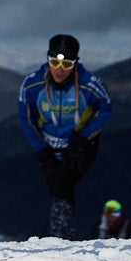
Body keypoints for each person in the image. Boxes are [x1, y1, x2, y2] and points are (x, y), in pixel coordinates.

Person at [18, 35, 113, 239]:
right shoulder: (32, 85)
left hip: (81, 146)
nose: (60, 69)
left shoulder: (90, 83)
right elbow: (27, 120)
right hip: (49, 147)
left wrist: (83, 137)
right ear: (48, 60)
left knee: (62, 185)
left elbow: (105, 109)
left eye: (67, 63)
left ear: (75, 63)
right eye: (55, 62)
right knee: (57, 189)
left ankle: (61, 240)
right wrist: (42, 153)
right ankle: (66, 238)